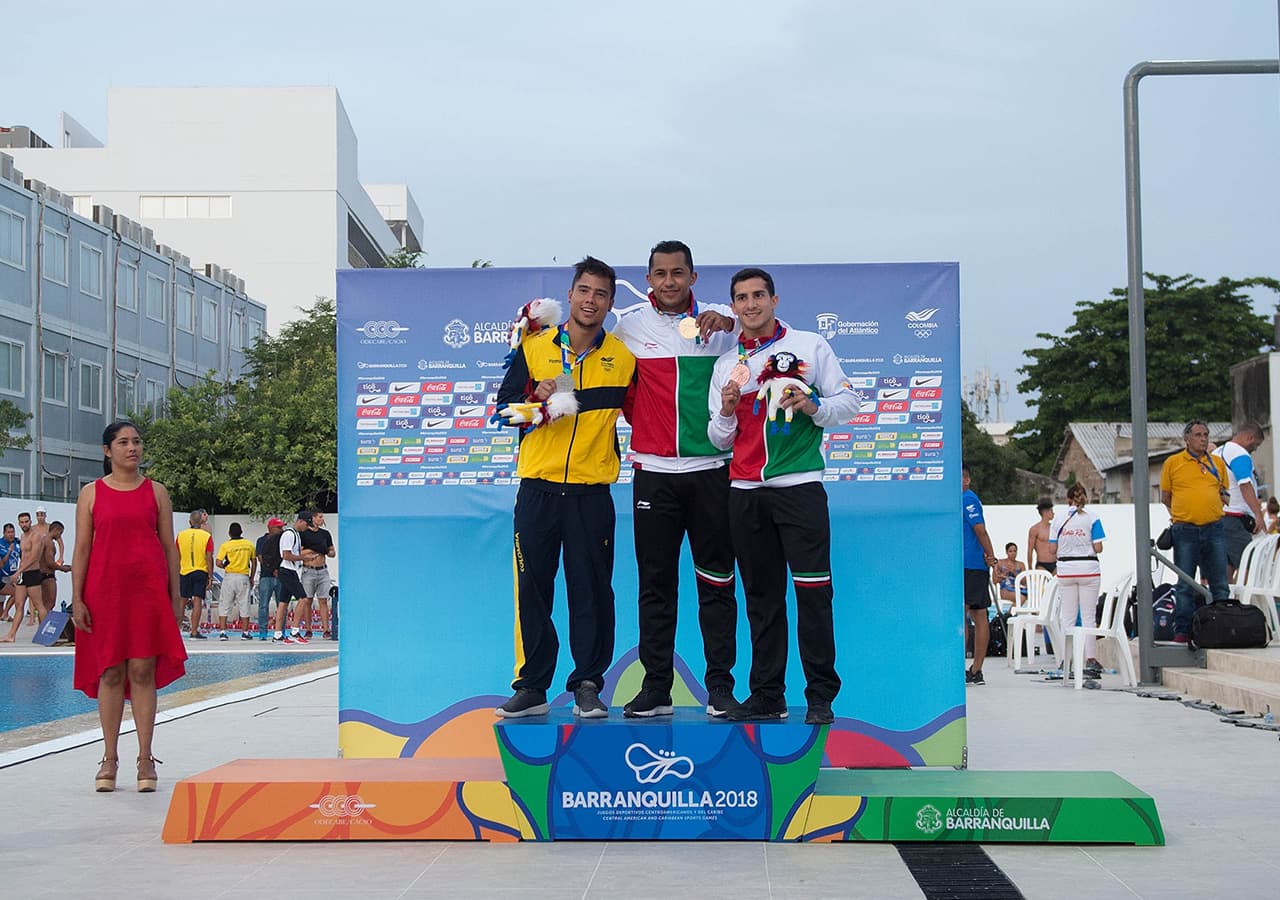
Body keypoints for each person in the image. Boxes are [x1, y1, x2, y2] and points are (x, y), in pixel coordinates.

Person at [707, 267, 864, 724]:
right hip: (744, 491)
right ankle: (767, 694)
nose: (751, 305)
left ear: (775, 300)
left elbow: (849, 403)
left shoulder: (810, 346)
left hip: (799, 486)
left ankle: (820, 696)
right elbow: (719, 440)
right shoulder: (726, 366)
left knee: (813, 592)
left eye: (759, 295)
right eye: (741, 298)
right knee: (761, 597)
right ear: (733, 307)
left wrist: (815, 406)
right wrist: (727, 412)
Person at [492, 256, 636, 719]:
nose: (590, 300)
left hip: (591, 495)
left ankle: (588, 683)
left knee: (592, 590)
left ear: (610, 303)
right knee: (532, 589)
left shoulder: (623, 357)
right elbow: (502, 412)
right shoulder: (533, 348)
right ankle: (532, 685)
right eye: (584, 290)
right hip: (537, 490)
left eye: (600, 294)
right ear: (570, 294)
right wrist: (535, 402)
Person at [612, 240, 741, 719]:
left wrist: (730, 323)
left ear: (693, 276)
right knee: (656, 585)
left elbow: (760, 352)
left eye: (678, 272)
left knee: (717, 583)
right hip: (653, 476)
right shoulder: (628, 329)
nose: (669, 281)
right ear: (648, 279)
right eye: (660, 273)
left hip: (711, 473)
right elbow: (616, 391)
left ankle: (721, 689)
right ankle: (656, 688)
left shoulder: (720, 324)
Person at [70, 421, 186, 793]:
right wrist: (77, 597)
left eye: (136, 441)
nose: (132, 448)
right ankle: (109, 757)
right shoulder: (91, 494)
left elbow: (170, 546)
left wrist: (175, 594)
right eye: (123, 442)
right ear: (107, 451)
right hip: (104, 591)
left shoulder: (157, 492)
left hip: (147, 591)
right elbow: (82, 548)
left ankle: (145, 757)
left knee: (141, 669)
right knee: (109, 672)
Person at [1160, 420, 1231, 644]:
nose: (1203, 438)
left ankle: (1221, 625)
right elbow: (1166, 496)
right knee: (1185, 582)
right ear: (1187, 439)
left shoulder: (1217, 463)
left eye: (1206, 434)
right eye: (1199, 434)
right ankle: (1183, 629)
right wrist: (1182, 513)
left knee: (1219, 580)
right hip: (1185, 530)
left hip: (1214, 528)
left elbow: (1224, 492)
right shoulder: (1173, 463)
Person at [1050, 483, 1106, 677]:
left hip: (1066, 570)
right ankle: (1090, 659)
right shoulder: (1092, 518)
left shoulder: (1058, 519)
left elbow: (1051, 550)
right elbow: (1098, 548)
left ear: (1068, 499)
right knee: (1089, 616)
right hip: (1089, 569)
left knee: (1068, 617)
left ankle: (1067, 660)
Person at [1212, 421, 1268, 580]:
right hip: (1235, 519)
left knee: (1226, 569)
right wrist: (1258, 515)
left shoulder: (1217, 452)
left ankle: (1225, 603)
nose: (1255, 450)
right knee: (1250, 566)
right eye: (1256, 445)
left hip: (1218, 517)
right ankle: (1248, 603)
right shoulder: (1240, 454)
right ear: (1250, 438)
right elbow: (1245, 484)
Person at [961, 465, 999, 685]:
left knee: (967, 613)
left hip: (972, 565)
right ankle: (975, 670)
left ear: (967, 480)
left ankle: (972, 668)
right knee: (978, 614)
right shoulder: (961, 500)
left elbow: (980, 529)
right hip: (971, 564)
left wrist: (991, 557)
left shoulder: (968, 499)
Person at [1, 512, 47, 641]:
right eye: (22, 522)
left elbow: (33, 558)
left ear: (30, 521)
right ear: (19, 523)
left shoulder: (35, 536)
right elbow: (23, 557)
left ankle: (44, 634)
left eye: (26, 521)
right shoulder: (22, 537)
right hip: (22, 574)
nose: (24, 524)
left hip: (32, 573)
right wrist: (18, 572)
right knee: (19, 604)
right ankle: (11, 635)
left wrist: (18, 572)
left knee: (39, 605)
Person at [271, 513, 311, 643]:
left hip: (290, 571)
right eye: (306, 524)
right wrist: (303, 558)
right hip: (288, 571)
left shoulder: (296, 534)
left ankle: (277, 634)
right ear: (300, 521)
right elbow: (286, 555)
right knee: (303, 599)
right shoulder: (289, 534)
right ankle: (295, 631)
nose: (307, 527)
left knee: (283, 603)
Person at [215, 522, 257, 641]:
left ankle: (223, 632)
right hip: (243, 576)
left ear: (229, 533)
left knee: (225, 604)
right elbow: (254, 562)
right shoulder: (249, 545)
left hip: (229, 576)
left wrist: (225, 566)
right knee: (244, 604)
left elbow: (218, 562)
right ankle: (245, 632)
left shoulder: (226, 545)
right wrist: (252, 577)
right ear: (241, 532)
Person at [176, 509, 213, 640]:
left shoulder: (181, 535)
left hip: (184, 571)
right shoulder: (206, 536)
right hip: (200, 571)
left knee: (182, 601)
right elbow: (209, 558)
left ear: (190, 521)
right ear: (201, 522)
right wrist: (210, 575)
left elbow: (178, 556)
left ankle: (176, 631)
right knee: (198, 601)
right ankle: (194, 631)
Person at [298, 510, 336, 639]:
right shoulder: (304, 534)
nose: (321, 519)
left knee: (323, 600)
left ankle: (326, 629)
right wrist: (315, 549)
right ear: (313, 518)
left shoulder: (325, 534)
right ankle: (308, 629)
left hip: (322, 570)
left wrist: (323, 550)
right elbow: (300, 552)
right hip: (309, 569)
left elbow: (332, 552)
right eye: (319, 517)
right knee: (307, 600)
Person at [255, 518, 285, 639]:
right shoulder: (261, 541)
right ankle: (263, 631)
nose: (281, 530)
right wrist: (273, 568)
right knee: (263, 605)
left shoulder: (283, 539)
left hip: (281, 576)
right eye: (279, 527)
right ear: (271, 528)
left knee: (282, 604)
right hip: (266, 576)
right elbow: (261, 558)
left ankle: (281, 630)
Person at [991, 542, 1026, 609]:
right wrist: (1004, 575)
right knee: (1021, 598)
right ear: (1006, 552)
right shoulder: (1000, 563)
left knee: (1030, 597)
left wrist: (1015, 573)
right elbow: (994, 581)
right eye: (1010, 551)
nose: (1013, 553)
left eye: (1015, 551)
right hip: (1005, 590)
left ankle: (1008, 615)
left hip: (1019, 589)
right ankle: (1009, 615)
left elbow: (1024, 582)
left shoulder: (1021, 565)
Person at [1027, 500, 1057, 574]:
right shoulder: (1035, 529)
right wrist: (1030, 568)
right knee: (1043, 585)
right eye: (1051, 511)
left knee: (1056, 585)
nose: (1053, 513)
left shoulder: (1054, 528)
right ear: (1045, 512)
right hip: (1042, 564)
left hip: (1055, 563)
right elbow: (1030, 550)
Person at [0, 523, 20, 622]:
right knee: (14, 593)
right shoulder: (0, 544)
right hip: (2, 575)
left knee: (19, 592)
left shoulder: (17, 542)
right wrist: (9, 551)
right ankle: (4, 614)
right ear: (4, 533)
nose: (11, 534)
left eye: (12, 532)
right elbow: (2, 563)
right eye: (8, 532)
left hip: (13, 574)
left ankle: (5, 613)